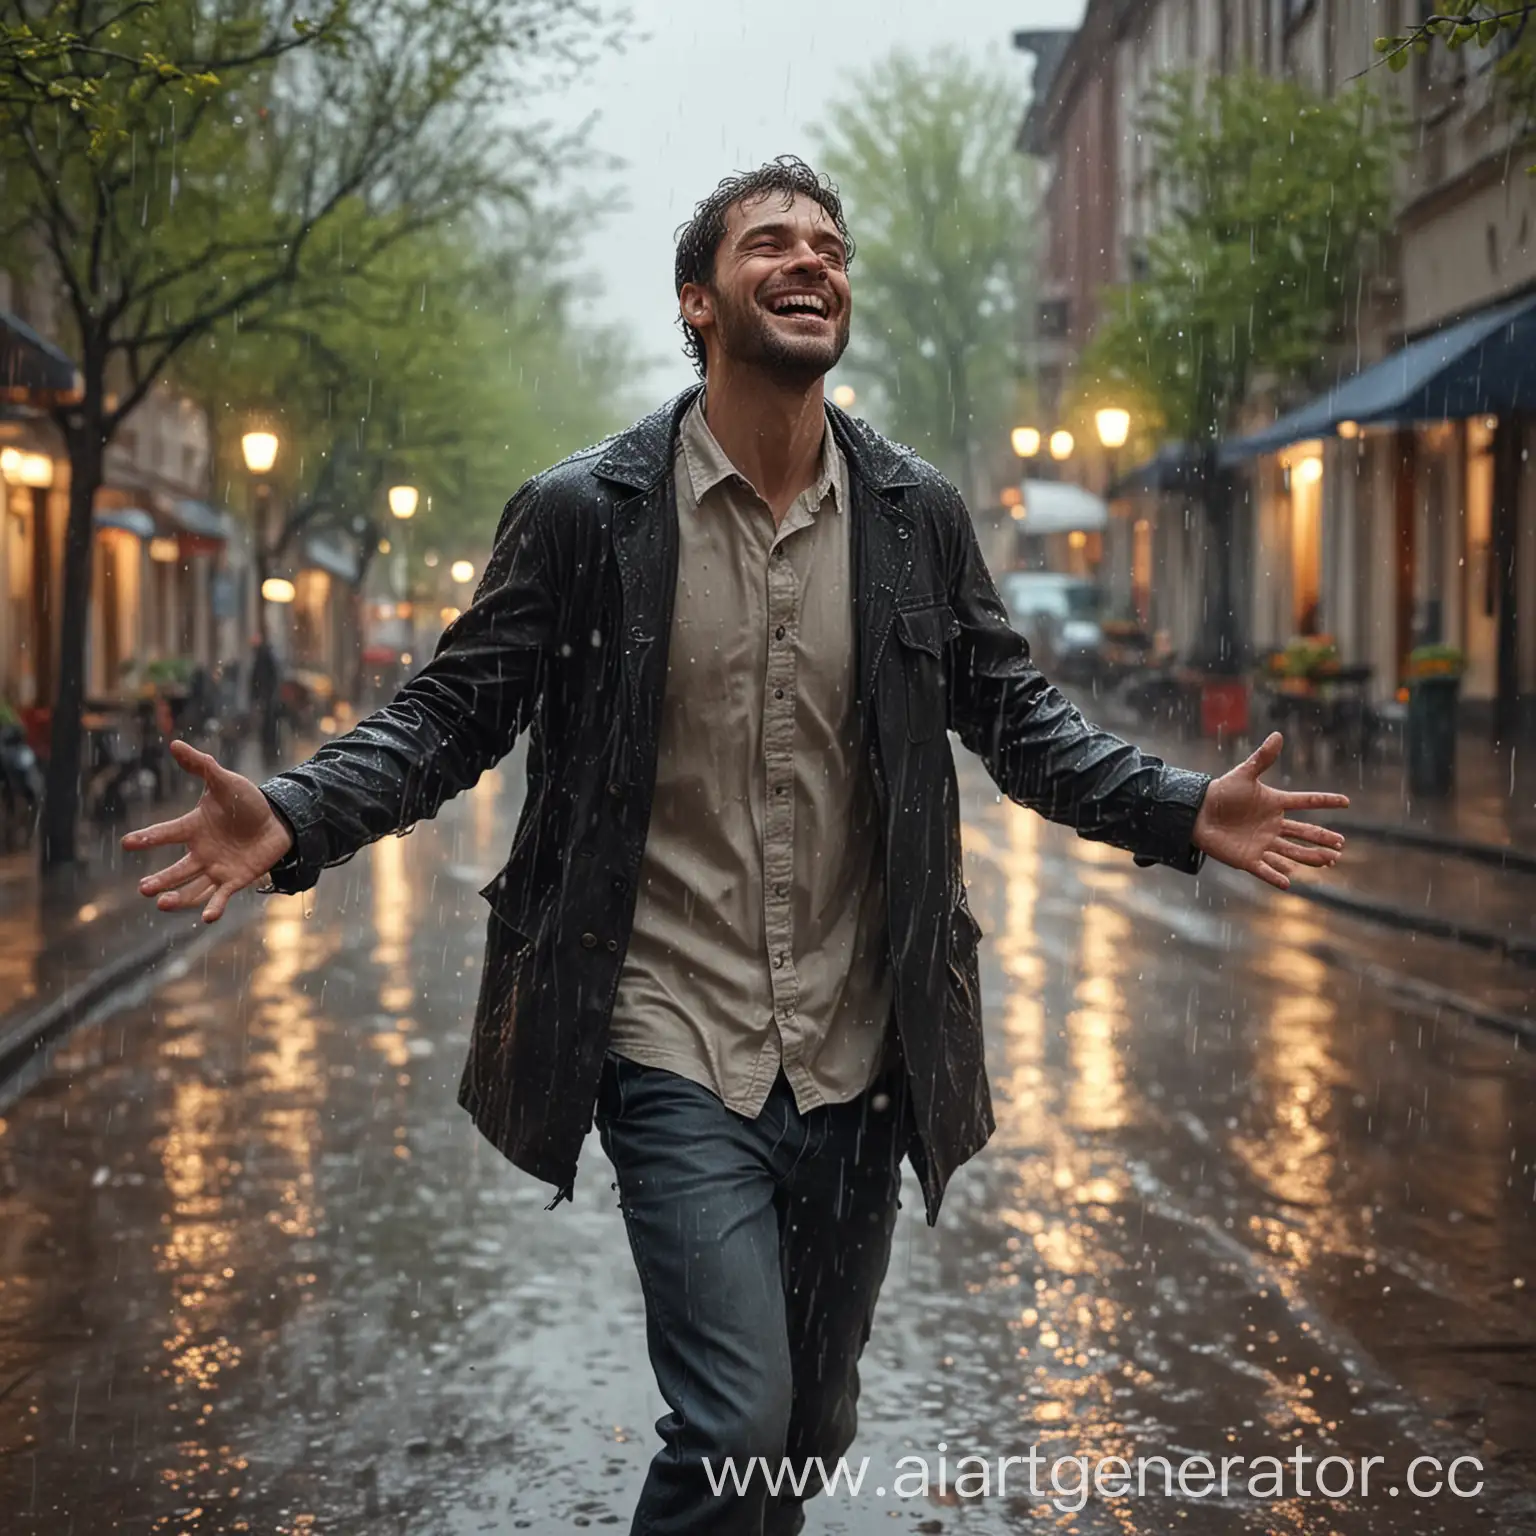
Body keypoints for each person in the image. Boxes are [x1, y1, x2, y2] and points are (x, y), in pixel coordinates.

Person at [123, 157, 1350, 1536]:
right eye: (771, 242)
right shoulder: (590, 514)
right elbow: (449, 713)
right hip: (666, 1034)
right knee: (734, 1422)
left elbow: (1022, 725)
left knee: (806, 1431)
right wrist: (293, 813)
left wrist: (1182, 805)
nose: (810, 259)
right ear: (700, 302)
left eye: (830, 244)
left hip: (861, 1046)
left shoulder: (912, 521)